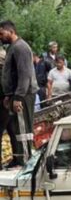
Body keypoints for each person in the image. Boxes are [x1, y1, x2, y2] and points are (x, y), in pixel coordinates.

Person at [0, 20, 38, 167]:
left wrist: (18, 97)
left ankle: (25, 160)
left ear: (11, 31)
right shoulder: (12, 48)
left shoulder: (21, 48)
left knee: (23, 129)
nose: (0, 36)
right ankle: (18, 157)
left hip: (23, 94)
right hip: (15, 94)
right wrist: (9, 96)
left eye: (2, 33)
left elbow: (25, 75)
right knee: (16, 128)